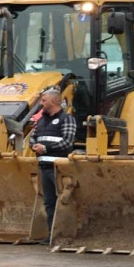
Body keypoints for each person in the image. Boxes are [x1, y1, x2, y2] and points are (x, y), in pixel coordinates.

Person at [29, 88, 77, 243]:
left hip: (59, 169)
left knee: (61, 202)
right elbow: (33, 137)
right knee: (49, 203)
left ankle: (64, 234)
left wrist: (45, 148)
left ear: (55, 101)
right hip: (44, 168)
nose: (41, 103)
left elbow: (67, 142)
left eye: (44, 100)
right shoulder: (41, 120)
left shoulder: (66, 119)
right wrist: (34, 145)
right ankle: (51, 235)